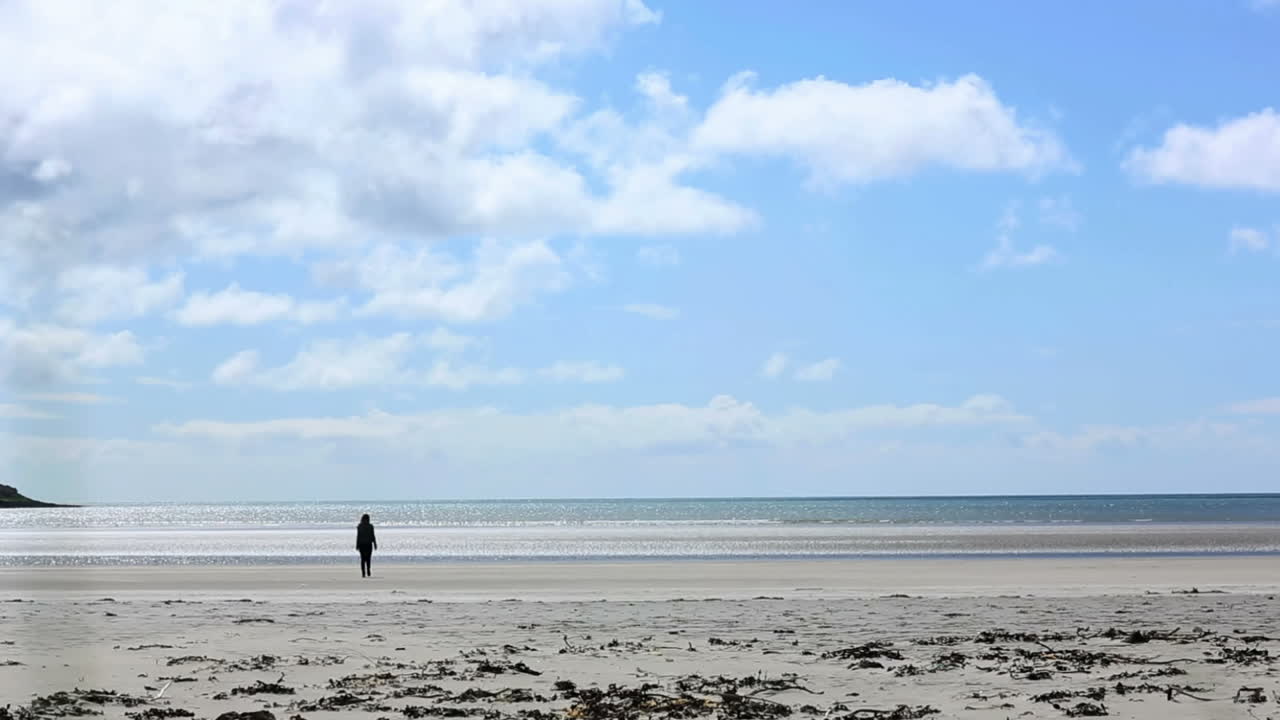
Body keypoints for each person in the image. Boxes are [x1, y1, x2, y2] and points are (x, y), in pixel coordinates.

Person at [356, 513, 377, 578]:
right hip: (368, 544)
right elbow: (373, 536)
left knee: (363, 559)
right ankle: (367, 570)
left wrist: (357, 545)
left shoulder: (360, 526)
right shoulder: (370, 526)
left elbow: (358, 536)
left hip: (362, 544)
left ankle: (363, 572)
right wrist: (375, 544)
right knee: (368, 559)